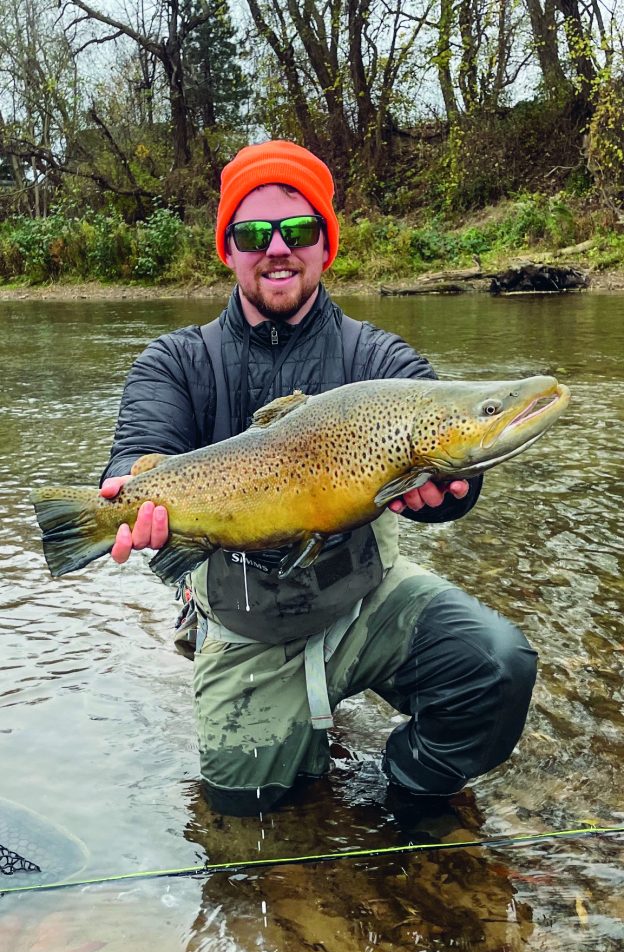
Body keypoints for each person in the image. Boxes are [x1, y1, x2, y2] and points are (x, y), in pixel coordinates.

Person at [100, 140, 537, 816]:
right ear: (228, 251)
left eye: (298, 229)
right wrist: (127, 492)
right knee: (250, 820)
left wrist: (451, 494)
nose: (277, 247)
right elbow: (136, 454)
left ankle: (412, 796)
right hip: (246, 621)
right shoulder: (176, 361)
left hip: (367, 598)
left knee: (498, 665)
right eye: (253, 233)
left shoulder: (378, 359)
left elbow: (454, 461)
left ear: (326, 246)